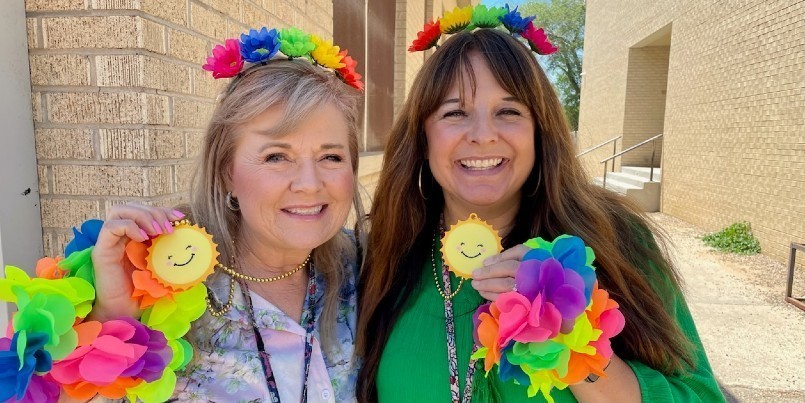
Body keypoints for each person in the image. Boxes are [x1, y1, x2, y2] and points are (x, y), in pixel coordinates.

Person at [357, 28, 724, 402]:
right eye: (455, 112)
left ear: (539, 131)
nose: (483, 134)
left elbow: (699, 395)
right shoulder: (384, 251)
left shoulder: (615, 240)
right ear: (422, 137)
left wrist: (566, 334)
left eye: (508, 111)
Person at [89, 29, 365, 402]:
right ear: (226, 173)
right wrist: (114, 319)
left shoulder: (367, 269)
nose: (309, 184)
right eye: (276, 157)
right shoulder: (160, 277)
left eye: (331, 157)